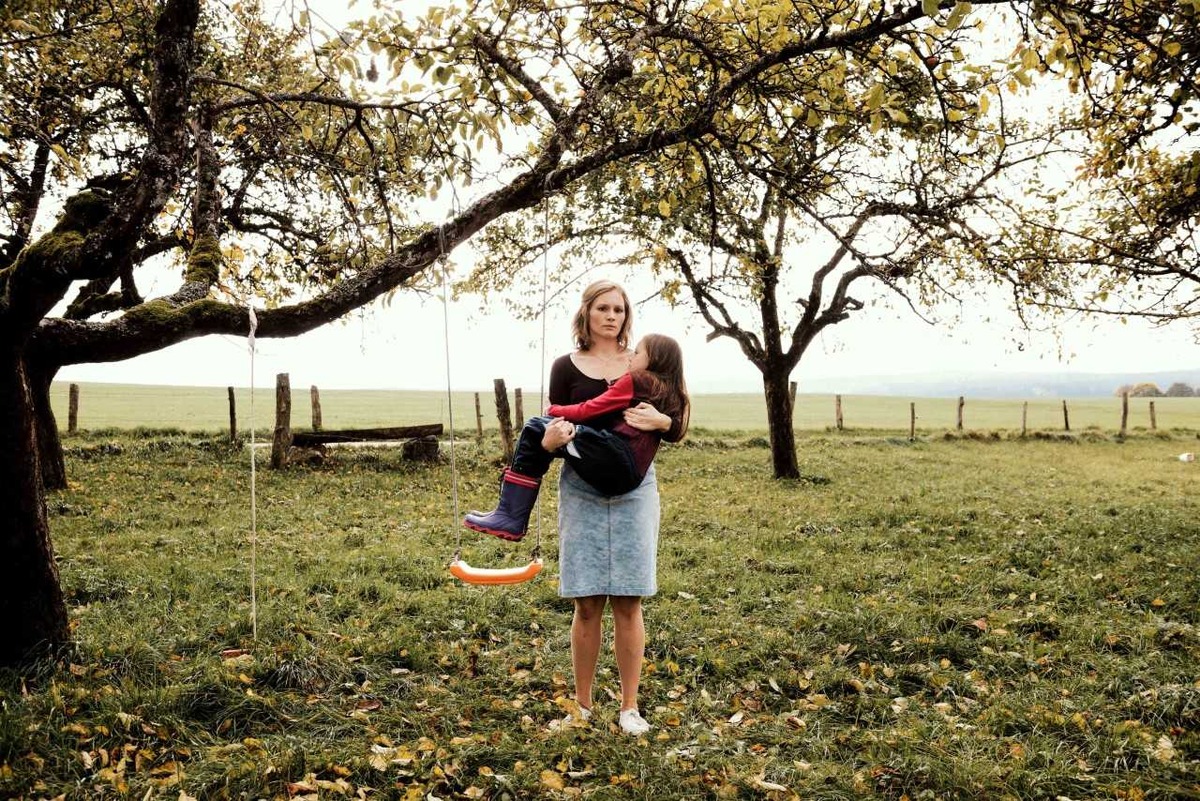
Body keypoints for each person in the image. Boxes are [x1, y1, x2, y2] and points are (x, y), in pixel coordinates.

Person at [481, 279, 684, 736]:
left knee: (629, 600)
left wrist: (664, 421)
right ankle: (583, 706)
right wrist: (549, 441)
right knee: (587, 601)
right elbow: (559, 423)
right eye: (603, 308)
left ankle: (629, 708)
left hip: (634, 489)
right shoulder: (565, 366)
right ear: (586, 314)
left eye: (619, 309)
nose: (612, 316)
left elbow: (677, 420)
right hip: (583, 487)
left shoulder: (644, 363)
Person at [462, 332, 690, 540]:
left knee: (534, 427)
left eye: (638, 353)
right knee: (551, 434)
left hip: (614, 455)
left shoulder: (638, 380)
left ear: (655, 359)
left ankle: (510, 515)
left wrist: (553, 410)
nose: (632, 357)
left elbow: (589, 409)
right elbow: (678, 429)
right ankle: (508, 514)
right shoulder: (670, 392)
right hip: (628, 478)